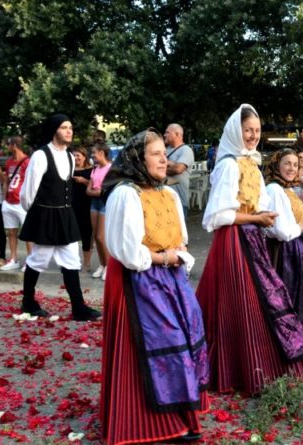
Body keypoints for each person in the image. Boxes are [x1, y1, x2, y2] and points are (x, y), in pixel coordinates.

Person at [100, 128, 208, 445]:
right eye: (156, 154)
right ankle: (148, 424)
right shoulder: (125, 194)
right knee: (156, 347)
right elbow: (126, 251)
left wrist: (173, 257)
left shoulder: (168, 194)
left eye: (164, 152)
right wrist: (163, 257)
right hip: (138, 283)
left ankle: (178, 417)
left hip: (169, 276)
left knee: (182, 340)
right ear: (138, 159)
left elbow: (182, 240)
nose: (164, 159)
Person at [197, 104, 303, 395]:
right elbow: (217, 216)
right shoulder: (228, 164)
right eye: (248, 130)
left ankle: (258, 363)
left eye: (257, 131)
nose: (252, 136)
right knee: (239, 304)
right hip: (233, 242)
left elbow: (261, 202)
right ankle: (237, 367)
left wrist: (271, 215)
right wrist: (257, 218)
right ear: (236, 130)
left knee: (260, 300)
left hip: (252, 239)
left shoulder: (251, 163)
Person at [18, 113, 101, 321]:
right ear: (55, 130)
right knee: (38, 258)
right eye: (65, 127)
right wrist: (36, 216)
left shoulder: (70, 157)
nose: (69, 131)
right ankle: (28, 301)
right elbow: (28, 192)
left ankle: (79, 307)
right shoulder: (40, 155)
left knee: (72, 259)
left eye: (70, 127)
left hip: (65, 214)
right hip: (46, 215)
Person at [264, 149, 303, 351]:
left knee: (302, 297)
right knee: (287, 298)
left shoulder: (289, 190)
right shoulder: (274, 190)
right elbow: (282, 231)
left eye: (295, 165)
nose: (291, 168)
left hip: (296, 250)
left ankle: (302, 343)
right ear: (277, 165)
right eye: (287, 163)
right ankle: (287, 345)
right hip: (283, 253)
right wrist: (301, 229)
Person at [0, 136, 32, 271]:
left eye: (8, 144)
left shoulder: (28, 162)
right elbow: (6, 180)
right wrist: (4, 199)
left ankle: (30, 260)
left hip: (21, 202)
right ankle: (13, 259)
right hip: (9, 200)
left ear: (14, 145)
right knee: (11, 232)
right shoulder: (9, 162)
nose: (7, 147)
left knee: (28, 233)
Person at [86, 143, 111, 280]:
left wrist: (96, 192)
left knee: (102, 237)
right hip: (95, 203)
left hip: (105, 203)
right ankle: (102, 265)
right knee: (95, 237)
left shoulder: (110, 169)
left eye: (94, 152)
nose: (92, 155)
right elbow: (88, 189)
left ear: (101, 153)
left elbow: (104, 191)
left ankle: (108, 266)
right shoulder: (95, 169)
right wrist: (96, 192)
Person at [164, 123, 195, 216]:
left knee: (178, 230)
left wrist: (160, 169)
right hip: (163, 199)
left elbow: (178, 169)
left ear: (177, 134)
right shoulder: (165, 150)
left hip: (178, 201)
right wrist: (170, 164)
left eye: (167, 132)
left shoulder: (186, 150)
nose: (164, 135)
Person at [71, 145, 93, 272]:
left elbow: (96, 185)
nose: (75, 158)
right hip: (72, 204)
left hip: (86, 204)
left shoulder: (91, 170)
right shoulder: (70, 169)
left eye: (78, 155)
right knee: (72, 234)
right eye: (74, 155)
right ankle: (73, 261)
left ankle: (87, 263)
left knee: (86, 233)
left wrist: (84, 181)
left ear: (84, 157)